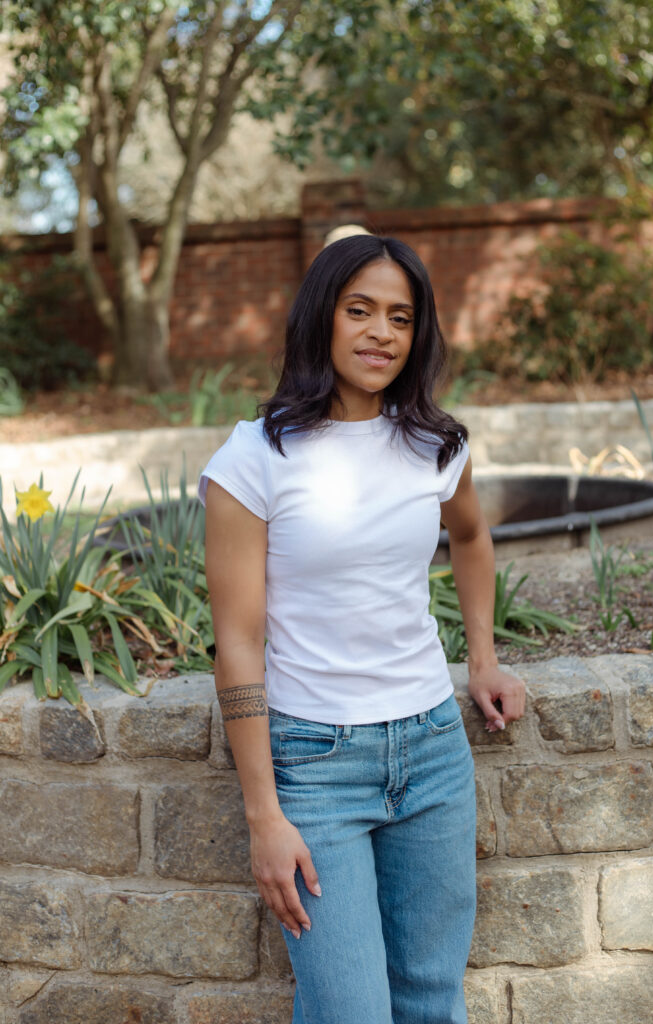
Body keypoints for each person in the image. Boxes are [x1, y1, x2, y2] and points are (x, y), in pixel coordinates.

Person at [199, 234, 525, 1024]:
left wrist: (482, 659)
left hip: (434, 755)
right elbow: (237, 643)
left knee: (429, 1001)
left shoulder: (436, 444)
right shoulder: (255, 458)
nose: (381, 332)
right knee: (349, 1011)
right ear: (322, 318)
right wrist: (264, 817)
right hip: (317, 765)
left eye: (401, 318)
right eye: (360, 310)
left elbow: (473, 539)